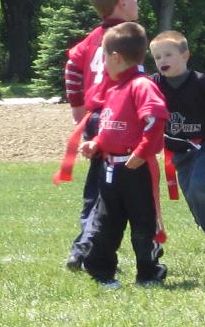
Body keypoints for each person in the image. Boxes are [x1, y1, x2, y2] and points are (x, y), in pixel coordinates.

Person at [55, 0, 139, 270]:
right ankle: (86, 247)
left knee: (102, 183)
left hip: (95, 118)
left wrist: (78, 107)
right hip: (115, 119)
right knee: (109, 187)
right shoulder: (129, 36)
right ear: (122, 3)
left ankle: (88, 245)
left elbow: (72, 66)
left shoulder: (93, 37)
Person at [80, 22, 169, 288]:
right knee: (106, 221)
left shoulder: (141, 86)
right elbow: (112, 127)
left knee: (143, 223)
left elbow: (155, 119)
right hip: (110, 170)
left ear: (116, 58)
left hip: (135, 169)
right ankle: (101, 271)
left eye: (104, 58)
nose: (103, 64)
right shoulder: (115, 89)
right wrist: (97, 143)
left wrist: (142, 151)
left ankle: (148, 272)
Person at [150, 30, 205, 250]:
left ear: (185, 55)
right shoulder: (152, 85)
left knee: (198, 186)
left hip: (204, 146)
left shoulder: (202, 83)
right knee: (191, 193)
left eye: (168, 55)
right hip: (178, 151)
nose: (162, 61)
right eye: (157, 57)